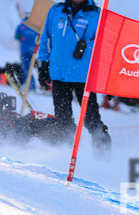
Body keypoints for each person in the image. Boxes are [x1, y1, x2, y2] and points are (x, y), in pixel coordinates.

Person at [37, 0, 110, 152]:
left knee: (91, 120)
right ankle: (65, 154)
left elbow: (106, 47)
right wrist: (43, 65)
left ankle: (103, 157)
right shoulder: (56, 10)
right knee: (62, 119)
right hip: (59, 75)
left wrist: (106, 76)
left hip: (84, 77)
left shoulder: (97, 14)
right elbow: (45, 39)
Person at [15, 14, 38, 89]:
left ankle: (31, 85)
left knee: (26, 68)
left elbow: (16, 36)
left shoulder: (22, 25)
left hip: (26, 51)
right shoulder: (33, 26)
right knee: (27, 68)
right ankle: (28, 84)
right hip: (31, 51)